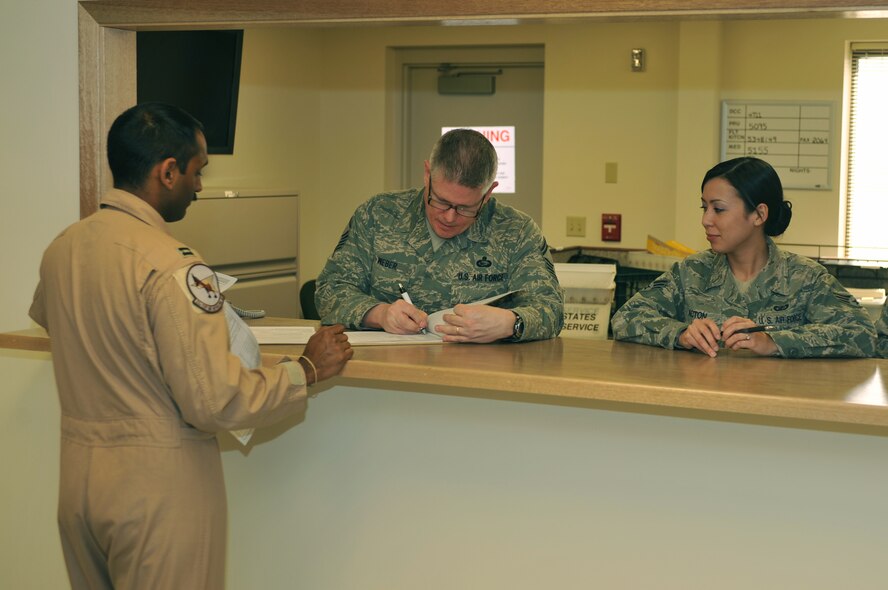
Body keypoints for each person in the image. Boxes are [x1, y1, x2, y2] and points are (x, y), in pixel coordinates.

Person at [28, 102, 353, 589]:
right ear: (167, 171)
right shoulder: (173, 265)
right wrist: (304, 368)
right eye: (197, 172)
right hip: (157, 488)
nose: (199, 187)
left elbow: (53, 320)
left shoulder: (64, 247)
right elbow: (215, 401)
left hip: (79, 482)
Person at [611, 156, 875, 358]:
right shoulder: (693, 271)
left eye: (719, 209)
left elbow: (862, 334)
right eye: (704, 207)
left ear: (759, 215)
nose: (706, 220)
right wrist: (680, 334)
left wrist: (774, 341)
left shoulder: (805, 277)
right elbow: (626, 318)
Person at [315, 128, 563, 343]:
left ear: (488, 194)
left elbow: (552, 311)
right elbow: (330, 290)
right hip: (387, 372)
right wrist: (379, 314)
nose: (450, 217)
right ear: (427, 174)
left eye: (465, 208)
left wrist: (511, 323)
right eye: (441, 201)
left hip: (481, 377)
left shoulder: (516, 231)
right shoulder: (379, 214)